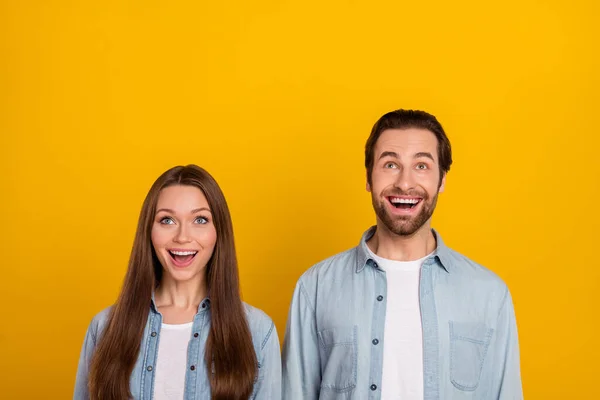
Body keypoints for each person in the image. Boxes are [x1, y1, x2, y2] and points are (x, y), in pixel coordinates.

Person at [282, 109, 523, 399]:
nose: (405, 183)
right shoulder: (316, 287)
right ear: (369, 178)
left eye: (421, 165)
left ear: (442, 179)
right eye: (390, 164)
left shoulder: (490, 295)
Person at [74, 165, 281, 400]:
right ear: (149, 231)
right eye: (167, 220)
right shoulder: (103, 329)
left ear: (219, 232)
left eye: (200, 219)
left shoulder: (258, 331)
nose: (182, 237)